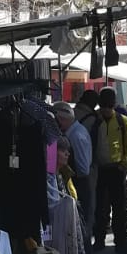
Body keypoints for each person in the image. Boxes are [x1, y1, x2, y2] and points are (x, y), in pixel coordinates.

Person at [91, 88, 127, 254]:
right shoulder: (95, 120)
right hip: (100, 169)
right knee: (101, 208)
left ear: (114, 105)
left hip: (117, 169)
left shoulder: (122, 121)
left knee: (119, 208)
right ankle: (99, 240)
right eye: (104, 107)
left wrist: (124, 164)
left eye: (108, 107)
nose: (106, 110)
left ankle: (120, 241)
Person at [53, 101, 94, 246]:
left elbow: (83, 168)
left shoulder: (76, 136)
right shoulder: (75, 132)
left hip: (79, 183)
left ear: (61, 119)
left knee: (80, 226)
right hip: (78, 182)